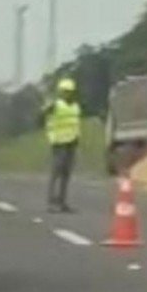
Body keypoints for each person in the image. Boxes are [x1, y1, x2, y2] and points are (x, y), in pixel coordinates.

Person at [42, 78, 82, 213]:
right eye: (65, 91)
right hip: (59, 143)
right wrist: (47, 106)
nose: (67, 94)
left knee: (66, 174)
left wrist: (77, 139)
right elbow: (43, 114)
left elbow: (75, 124)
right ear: (60, 92)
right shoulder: (55, 105)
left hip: (71, 142)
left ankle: (62, 202)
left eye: (70, 92)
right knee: (56, 173)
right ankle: (51, 202)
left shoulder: (75, 106)